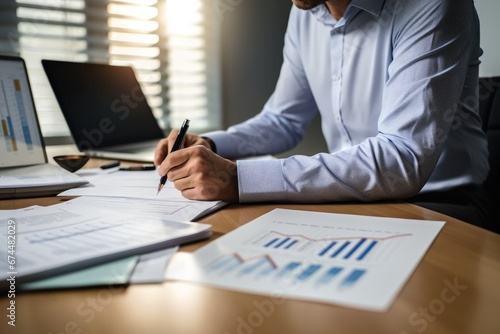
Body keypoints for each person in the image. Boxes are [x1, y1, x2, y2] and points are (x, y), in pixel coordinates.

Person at [155, 0, 493, 230]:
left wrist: (238, 180)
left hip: (442, 204)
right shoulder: (305, 14)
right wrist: (213, 144)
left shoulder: (432, 5)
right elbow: (282, 120)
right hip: (354, 200)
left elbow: (402, 158)